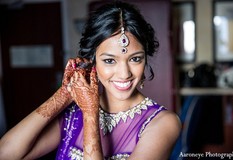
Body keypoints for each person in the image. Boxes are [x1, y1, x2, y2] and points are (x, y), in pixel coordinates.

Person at [0, 1, 181, 159]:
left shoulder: (163, 123)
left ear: (145, 59)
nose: (124, 73)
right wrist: (65, 94)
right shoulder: (72, 115)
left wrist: (90, 114)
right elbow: (6, 154)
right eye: (109, 60)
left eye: (135, 59)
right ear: (92, 62)